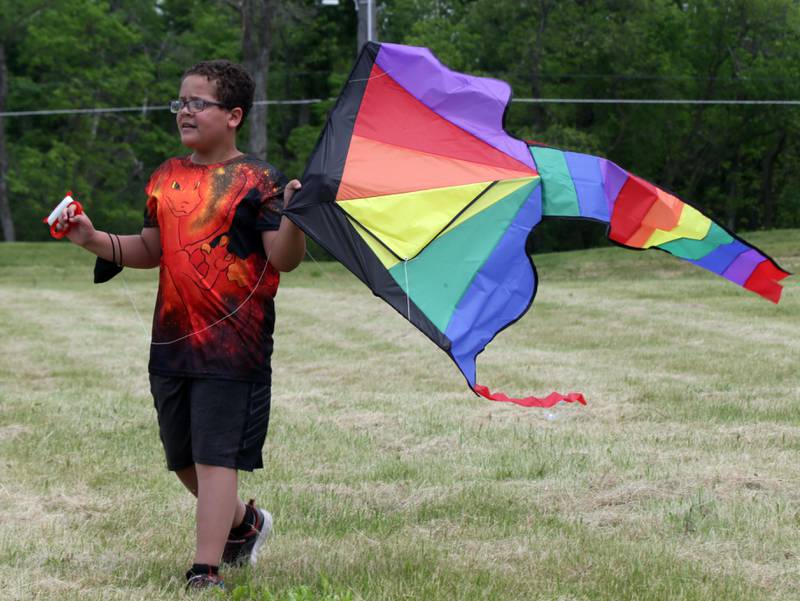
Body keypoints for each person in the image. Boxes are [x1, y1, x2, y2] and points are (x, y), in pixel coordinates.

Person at [55, 59, 306, 590]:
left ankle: (204, 570)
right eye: (181, 102)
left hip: (234, 347)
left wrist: (296, 217)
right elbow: (152, 249)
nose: (185, 111)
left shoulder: (260, 181)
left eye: (198, 103)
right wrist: (92, 239)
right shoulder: (166, 177)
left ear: (234, 115)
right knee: (183, 460)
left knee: (217, 457)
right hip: (172, 340)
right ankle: (246, 524)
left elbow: (282, 258)